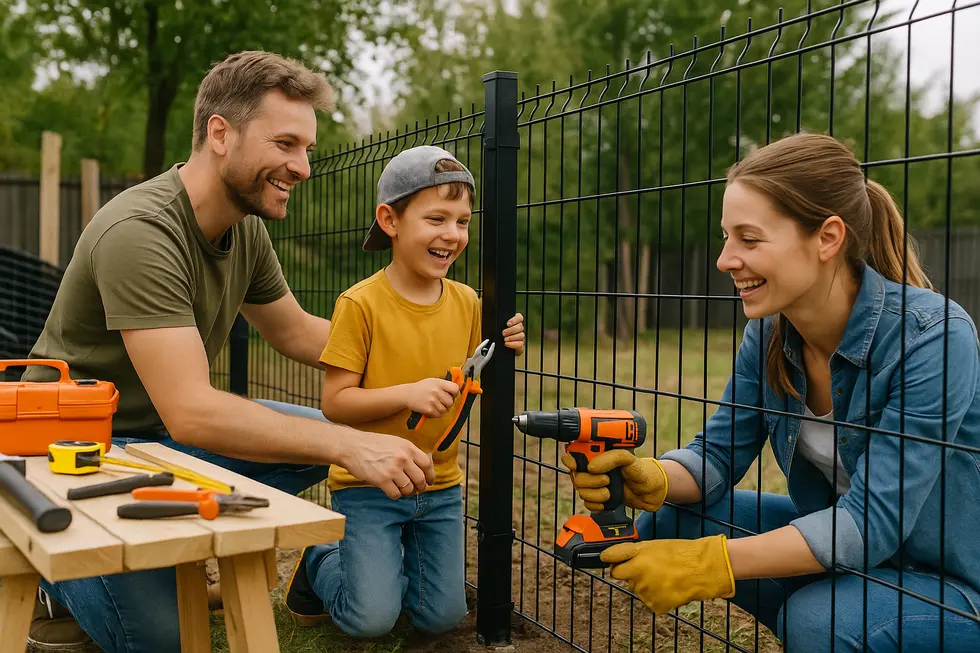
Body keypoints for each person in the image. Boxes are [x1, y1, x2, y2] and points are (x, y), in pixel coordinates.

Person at [23, 51, 438, 653]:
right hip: (69, 453)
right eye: (286, 144)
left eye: (307, 149)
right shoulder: (141, 231)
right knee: (160, 639)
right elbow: (193, 412)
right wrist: (350, 443)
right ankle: (52, 583)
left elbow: (297, 332)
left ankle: (225, 560)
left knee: (327, 437)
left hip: (153, 439)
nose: (303, 167)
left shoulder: (244, 229)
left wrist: (430, 352)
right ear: (220, 134)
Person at [562, 133, 980, 651]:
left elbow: (872, 522)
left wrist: (711, 563)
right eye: (726, 237)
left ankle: (837, 624)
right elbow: (717, 455)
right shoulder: (769, 333)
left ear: (827, 238)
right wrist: (650, 477)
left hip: (955, 581)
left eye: (749, 239)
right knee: (673, 519)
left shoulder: (933, 336)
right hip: (859, 556)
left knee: (820, 621)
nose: (725, 259)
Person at [283, 145, 526, 637]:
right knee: (370, 620)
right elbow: (335, 403)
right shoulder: (360, 305)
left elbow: (482, 368)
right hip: (368, 486)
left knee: (442, 616)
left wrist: (511, 342)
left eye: (462, 222)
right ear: (389, 220)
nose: (452, 234)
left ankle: (384, 571)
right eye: (436, 218)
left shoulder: (470, 303)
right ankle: (320, 561)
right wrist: (405, 394)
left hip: (439, 486)